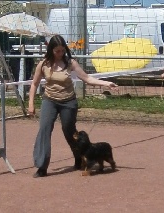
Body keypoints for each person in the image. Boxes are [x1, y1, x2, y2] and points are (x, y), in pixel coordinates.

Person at [28, 35, 118, 178]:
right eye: (57, 51)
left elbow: (87, 78)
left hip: (68, 102)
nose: (60, 54)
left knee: (69, 131)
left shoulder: (70, 63)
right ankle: (42, 166)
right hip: (49, 101)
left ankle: (79, 156)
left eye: (62, 50)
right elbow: (34, 84)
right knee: (44, 129)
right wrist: (31, 104)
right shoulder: (43, 64)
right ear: (51, 50)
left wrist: (106, 83)